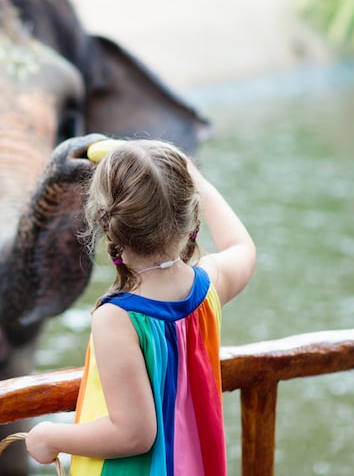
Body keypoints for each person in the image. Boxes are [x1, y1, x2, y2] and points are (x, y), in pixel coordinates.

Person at [25, 139, 256, 476]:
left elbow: (133, 434)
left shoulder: (116, 317)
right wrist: (196, 177)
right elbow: (242, 246)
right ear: (190, 215)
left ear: (107, 225)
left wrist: (50, 436)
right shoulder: (208, 286)